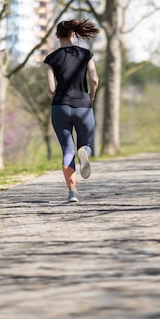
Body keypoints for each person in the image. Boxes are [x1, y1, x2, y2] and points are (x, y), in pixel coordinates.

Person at [44, 18, 100, 203]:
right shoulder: (86, 54)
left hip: (60, 106)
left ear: (57, 35)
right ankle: (84, 152)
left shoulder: (51, 59)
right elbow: (94, 79)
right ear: (73, 33)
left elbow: (51, 89)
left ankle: (72, 192)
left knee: (68, 150)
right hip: (83, 106)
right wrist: (91, 96)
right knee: (85, 145)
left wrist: (58, 99)